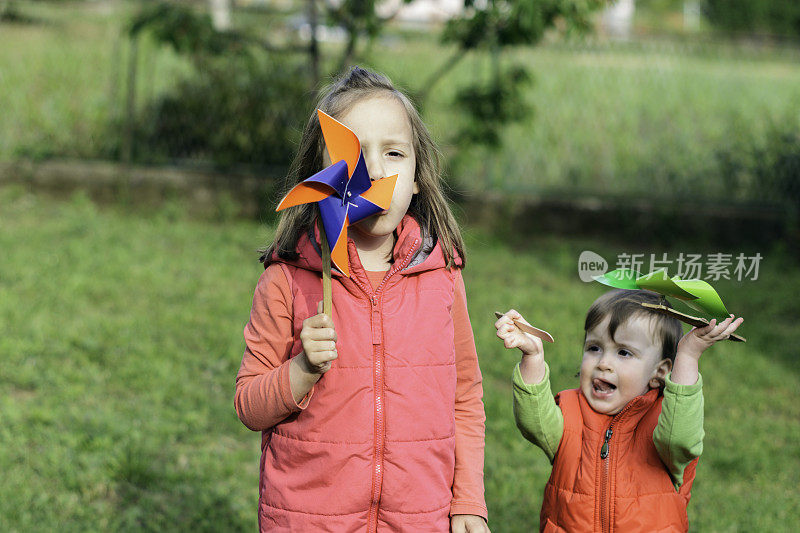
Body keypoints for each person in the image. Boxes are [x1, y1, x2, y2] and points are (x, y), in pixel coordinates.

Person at [235, 66, 489, 533]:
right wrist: (301, 370)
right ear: (324, 178)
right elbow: (249, 404)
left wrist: (468, 499)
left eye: (393, 152)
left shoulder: (443, 280)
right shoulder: (285, 280)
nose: (373, 171)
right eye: (353, 156)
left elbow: (465, 397)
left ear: (416, 177)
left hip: (417, 520)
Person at [495, 289, 743, 532]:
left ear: (660, 372)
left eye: (624, 352)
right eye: (594, 348)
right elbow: (533, 423)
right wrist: (533, 357)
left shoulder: (664, 423)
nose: (603, 363)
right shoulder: (570, 413)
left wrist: (687, 356)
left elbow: (680, 439)